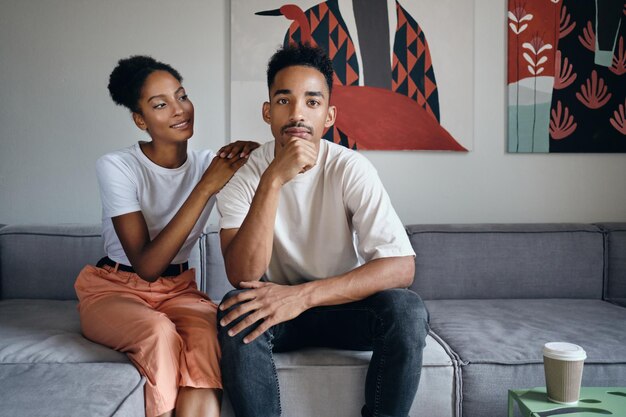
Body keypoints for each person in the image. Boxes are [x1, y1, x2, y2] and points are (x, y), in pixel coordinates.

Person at [216, 43, 429, 417]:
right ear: (268, 112)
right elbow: (242, 274)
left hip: (342, 307)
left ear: (328, 116)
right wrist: (273, 180)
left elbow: (401, 267)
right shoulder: (246, 176)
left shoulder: (350, 168)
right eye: (284, 101)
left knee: (408, 310)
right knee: (232, 315)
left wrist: (302, 296)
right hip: (276, 315)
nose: (297, 114)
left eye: (312, 103)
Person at [74, 55, 258, 417]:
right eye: (161, 104)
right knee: (159, 333)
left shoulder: (212, 164)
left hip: (180, 291)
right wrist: (205, 187)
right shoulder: (117, 166)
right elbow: (146, 265)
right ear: (140, 120)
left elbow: (267, 192)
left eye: (182, 96)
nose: (179, 110)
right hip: (114, 289)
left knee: (208, 337)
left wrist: (257, 154)